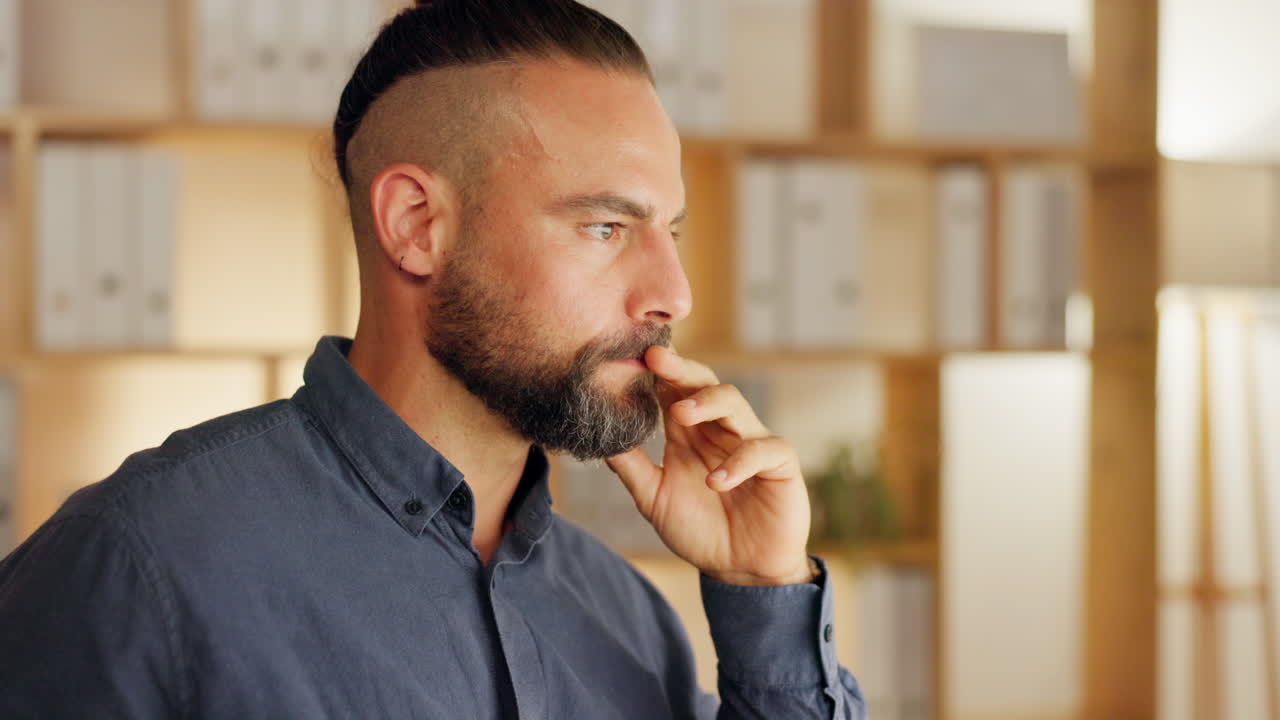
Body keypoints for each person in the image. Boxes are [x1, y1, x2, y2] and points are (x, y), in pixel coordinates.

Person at [0, 1, 867, 717]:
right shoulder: (137, 565)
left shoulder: (631, 618)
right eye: (605, 227)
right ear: (417, 226)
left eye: (668, 233)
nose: (674, 294)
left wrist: (768, 591)